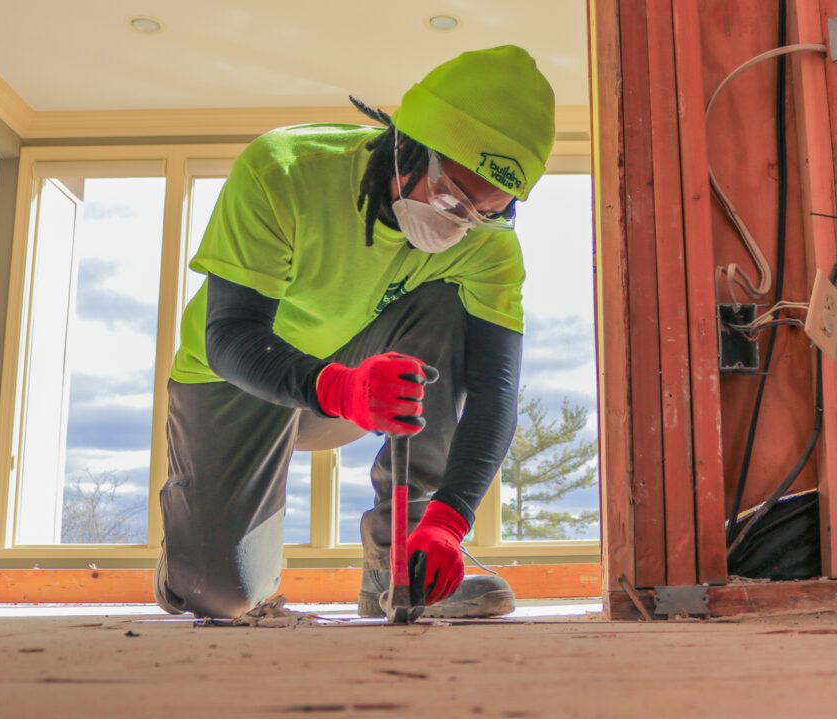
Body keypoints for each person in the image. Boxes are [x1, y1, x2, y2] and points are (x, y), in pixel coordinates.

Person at [153, 45, 556, 619]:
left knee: (445, 304)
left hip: (355, 392)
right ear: (408, 144)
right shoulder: (284, 172)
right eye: (449, 197)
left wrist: (450, 519)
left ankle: (400, 561)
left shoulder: (486, 248)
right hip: (236, 382)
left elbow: (496, 389)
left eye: (484, 213)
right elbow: (229, 336)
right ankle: (187, 560)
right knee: (226, 596)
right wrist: (340, 387)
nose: (458, 222)